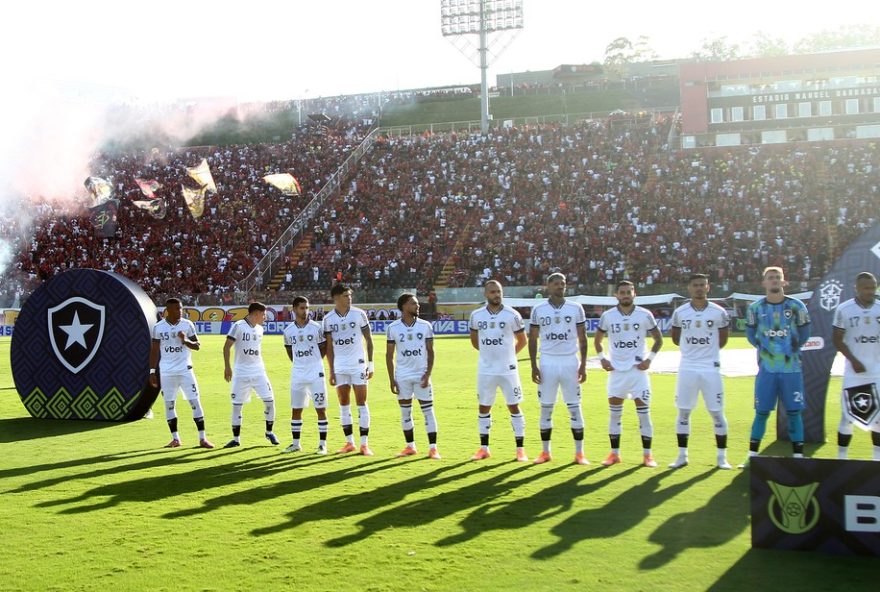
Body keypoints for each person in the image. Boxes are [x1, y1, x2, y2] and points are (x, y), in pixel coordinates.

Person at [741, 266, 811, 467]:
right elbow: (750, 335)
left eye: (777, 277)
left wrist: (793, 348)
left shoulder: (796, 306)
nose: (774, 281)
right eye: (770, 278)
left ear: (784, 282)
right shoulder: (755, 308)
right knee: (761, 412)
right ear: (764, 283)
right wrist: (765, 349)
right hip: (767, 370)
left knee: (794, 412)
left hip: (791, 370)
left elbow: (805, 333)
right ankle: (752, 456)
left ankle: (798, 456)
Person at [594, 280, 663, 467]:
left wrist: (649, 359)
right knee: (615, 415)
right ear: (616, 295)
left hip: (637, 372)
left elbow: (658, 339)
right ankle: (614, 454)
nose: (625, 295)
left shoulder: (644, 315)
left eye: (628, 292)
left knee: (643, 414)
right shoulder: (608, 316)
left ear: (634, 294)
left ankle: (648, 455)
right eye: (622, 292)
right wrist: (602, 358)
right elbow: (598, 340)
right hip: (616, 372)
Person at [669, 274, 731, 469]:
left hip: (710, 367)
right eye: (695, 285)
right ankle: (682, 456)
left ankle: (722, 458)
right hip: (687, 366)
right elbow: (676, 338)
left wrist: (706, 353)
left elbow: (723, 340)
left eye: (702, 285)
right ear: (689, 288)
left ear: (708, 287)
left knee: (716, 412)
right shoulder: (680, 312)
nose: (698, 288)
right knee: (684, 411)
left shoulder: (719, 312)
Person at [528, 272, 589, 465]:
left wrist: (584, 365)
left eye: (562, 283)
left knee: (574, 408)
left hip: (570, 361)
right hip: (548, 362)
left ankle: (580, 454)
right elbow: (533, 338)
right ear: (548, 286)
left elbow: (583, 338)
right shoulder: (538, 309)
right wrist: (533, 366)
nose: (560, 286)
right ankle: (545, 452)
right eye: (556, 283)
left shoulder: (576, 308)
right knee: (546, 408)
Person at [469, 280, 528, 461]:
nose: (497, 295)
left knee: (514, 405)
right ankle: (484, 448)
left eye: (499, 292)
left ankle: (520, 450)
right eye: (493, 292)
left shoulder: (512, 314)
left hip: (507, 370)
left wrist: (509, 355)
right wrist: (489, 355)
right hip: (486, 370)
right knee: (484, 406)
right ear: (486, 294)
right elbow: (474, 341)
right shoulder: (476, 315)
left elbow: (522, 341)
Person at [149, 298, 213, 449]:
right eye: (177, 309)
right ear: (168, 310)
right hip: (166, 372)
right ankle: (175, 439)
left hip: (185, 370)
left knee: (195, 402)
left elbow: (197, 346)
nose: (180, 311)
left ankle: (203, 438)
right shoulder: (158, 327)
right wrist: (152, 371)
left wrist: (185, 340)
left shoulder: (187, 324)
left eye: (181, 308)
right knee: (169, 405)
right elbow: (154, 351)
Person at [386, 293, 440, 459]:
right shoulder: (393, 328)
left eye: (417, 304)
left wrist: (427, 374)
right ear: (403, 306)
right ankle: (410, 447)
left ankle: (433, 448)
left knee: (428, 411)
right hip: (402, 377)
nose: (418, 306)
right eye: (413, 304)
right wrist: (391, 379)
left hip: (421, 375)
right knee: (405, 413)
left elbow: (431, 352)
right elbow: (389, 356)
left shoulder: (425, 326)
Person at [832, 272, 880, 460]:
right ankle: (841, 457)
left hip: (877, 372)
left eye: (873, 287)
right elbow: (837, 340)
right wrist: (853, 360)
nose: (871, 291)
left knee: (878, 418)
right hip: (855, 373)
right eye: (867, 288)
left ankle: (876, 459)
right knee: (848, 416)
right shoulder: (844, 309)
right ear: (857, 288)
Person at [324, 283, 374, 456]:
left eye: (350, 295)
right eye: (346, 295)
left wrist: (371, 364)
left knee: (361, 403)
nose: (349, 298)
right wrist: (331, 370)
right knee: (344, 404)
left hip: (358, 364)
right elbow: (329, 347)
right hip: (340, 367)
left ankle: (364, 444)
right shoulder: (328, 319)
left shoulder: (359, 314)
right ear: (336, 298)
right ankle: (349, 443)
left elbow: (369, 339)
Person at [222, 302, 278, 448]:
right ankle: (236, 439)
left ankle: (269, 432)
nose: (265, 317)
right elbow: (227, 346)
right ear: (256, 313)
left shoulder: (260, 329)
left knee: (270, 401)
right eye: (264, 314)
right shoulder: (239, 326)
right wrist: (227, 367)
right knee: (236, 406)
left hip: (259, 372)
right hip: (241, 373)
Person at [282, 296, 329, 455]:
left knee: (320, 409)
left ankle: (322, 445)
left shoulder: (317, 328)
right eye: (302, 308)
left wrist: (313, 361)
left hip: (316, 372)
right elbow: (289, 351)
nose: (305, 311)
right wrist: (300, 363)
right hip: (298, 374)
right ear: (294, 309)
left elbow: (324, 348)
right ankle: (296, 444)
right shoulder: (288, 331)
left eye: (307, 308)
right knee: (296, 409)